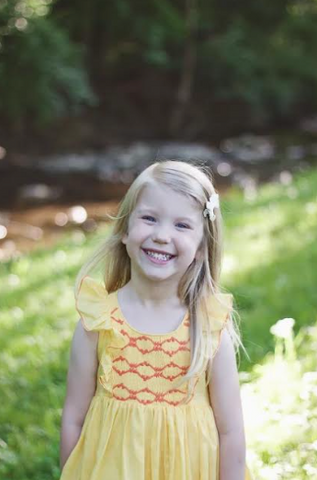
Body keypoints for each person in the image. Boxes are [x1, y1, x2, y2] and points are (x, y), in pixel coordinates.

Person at [59, 160, 253, 480]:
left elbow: (231, 430)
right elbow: (74, 419)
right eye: (149, 218)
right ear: (124, 230)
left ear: (202, 248)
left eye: (182, 225)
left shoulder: (209, 326)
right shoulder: (98, 322)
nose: (162, 236)